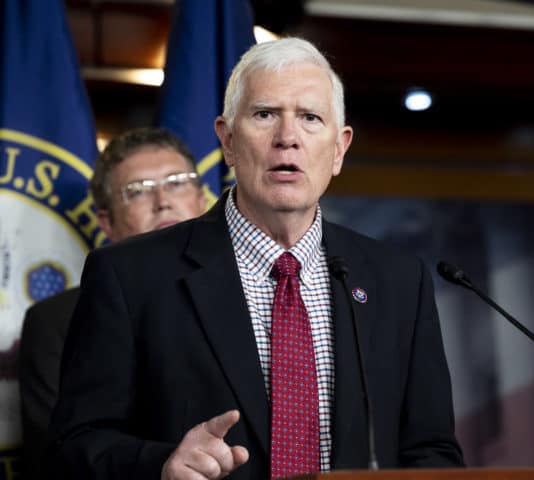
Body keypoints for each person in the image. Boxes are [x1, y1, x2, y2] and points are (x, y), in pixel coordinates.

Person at [48, 38, 464, 479]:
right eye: (265, 115)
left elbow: (431, 450)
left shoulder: (397, 280)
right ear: (228, 140)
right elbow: (74, 447)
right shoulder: (130, 276)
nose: (288, 139)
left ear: (339, 149)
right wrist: (161, 465)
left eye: (310, 118)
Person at [19, 127, 207, 479]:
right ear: (106, 222)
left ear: (202, 198)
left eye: (177, 182)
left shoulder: (247, 293)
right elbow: (58, 455)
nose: (163, 200)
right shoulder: (54, 321)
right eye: (137, 191)